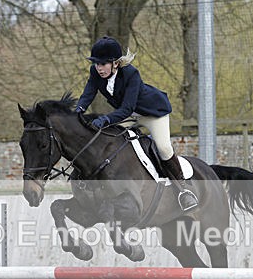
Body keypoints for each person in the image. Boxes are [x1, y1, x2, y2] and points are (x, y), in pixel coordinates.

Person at [75, 36, 199, 211]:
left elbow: (126, 109)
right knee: (104, 136)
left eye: (103, 64)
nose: (99, 68)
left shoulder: (131, 74)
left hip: (152, 113)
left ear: (115, 63)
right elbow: (88, 94)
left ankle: (185, 190)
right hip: (129, 115)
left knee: (163, 148)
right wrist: (78, 111)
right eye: (96, 63)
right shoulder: (95, 72)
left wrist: (106, 119)